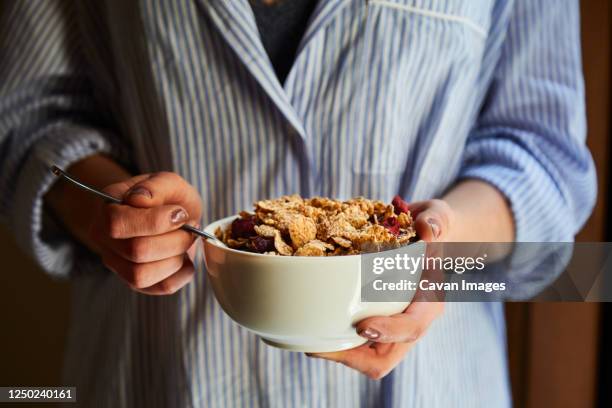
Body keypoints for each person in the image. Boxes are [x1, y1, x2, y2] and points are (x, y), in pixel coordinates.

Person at [0, 0, 596, 407]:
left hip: (430, 376)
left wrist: (443, 236)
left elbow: (545, 155)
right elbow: (28, 120)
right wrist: (112, 208)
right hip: (163, 363)